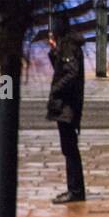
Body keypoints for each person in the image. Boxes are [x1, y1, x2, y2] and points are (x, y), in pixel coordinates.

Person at [47, 11, 86, 204]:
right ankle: (75, 189)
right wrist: (54, 51)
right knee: (68, 148)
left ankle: (76, 190)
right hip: (67, 104)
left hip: (68, 104)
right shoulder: (65, 45)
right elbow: (61, 68)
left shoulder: (69, 46)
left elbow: (71, 73)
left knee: (70, 149)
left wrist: (56, 89)